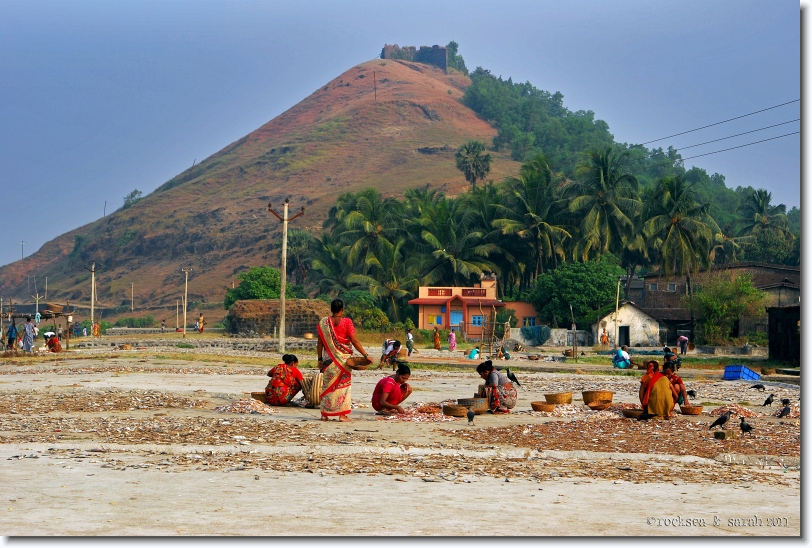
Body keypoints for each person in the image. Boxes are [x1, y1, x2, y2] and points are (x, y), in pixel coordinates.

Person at [316, 298, 371, 422]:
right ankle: (342, 415)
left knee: (327, 386)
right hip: (343, 361)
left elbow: (319, 343)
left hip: (327, 360)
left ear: (331, 309)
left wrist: (319, 359)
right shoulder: (347, 322)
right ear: (342, 309)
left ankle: (324, 415)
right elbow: (354, 340)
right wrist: (366, 355)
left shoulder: (324, 323)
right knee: (343, 386)